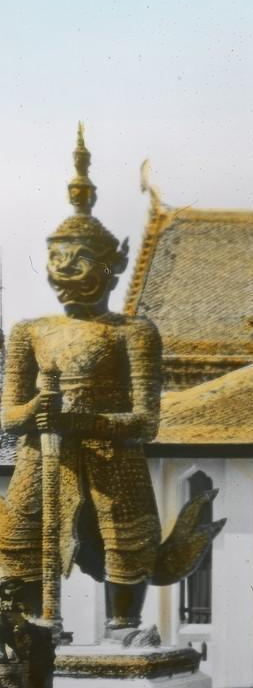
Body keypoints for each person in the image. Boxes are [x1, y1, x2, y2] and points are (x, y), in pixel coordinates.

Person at [0, 126, 162, 637]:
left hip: (112, 457)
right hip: (41, 456)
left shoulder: (134, 331)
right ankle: (26, 632)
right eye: (56, 262)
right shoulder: (29, 331)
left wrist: (82, 419)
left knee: (125, 540)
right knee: (21, 543)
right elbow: (8, 413)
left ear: (112, 269)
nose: (64, 273)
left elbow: (147, 420)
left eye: (79, 263)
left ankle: (122, 627)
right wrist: (35, 414)